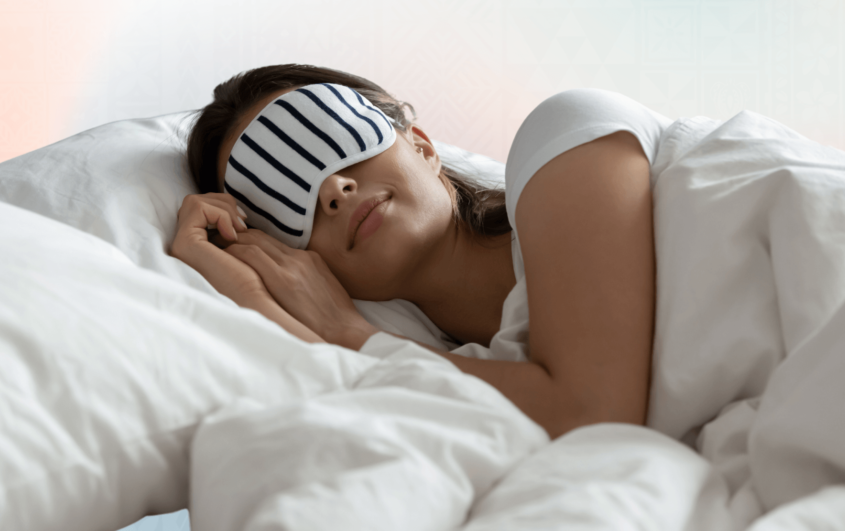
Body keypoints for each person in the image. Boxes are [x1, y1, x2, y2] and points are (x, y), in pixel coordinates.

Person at [172, 63, 669, 440]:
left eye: (330, 137)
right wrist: (251, 293)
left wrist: (346, 332)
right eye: (280, 197)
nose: (333, 190)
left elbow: (592, 414)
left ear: (424, 148)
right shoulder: (468, 376)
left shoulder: (567, 139)